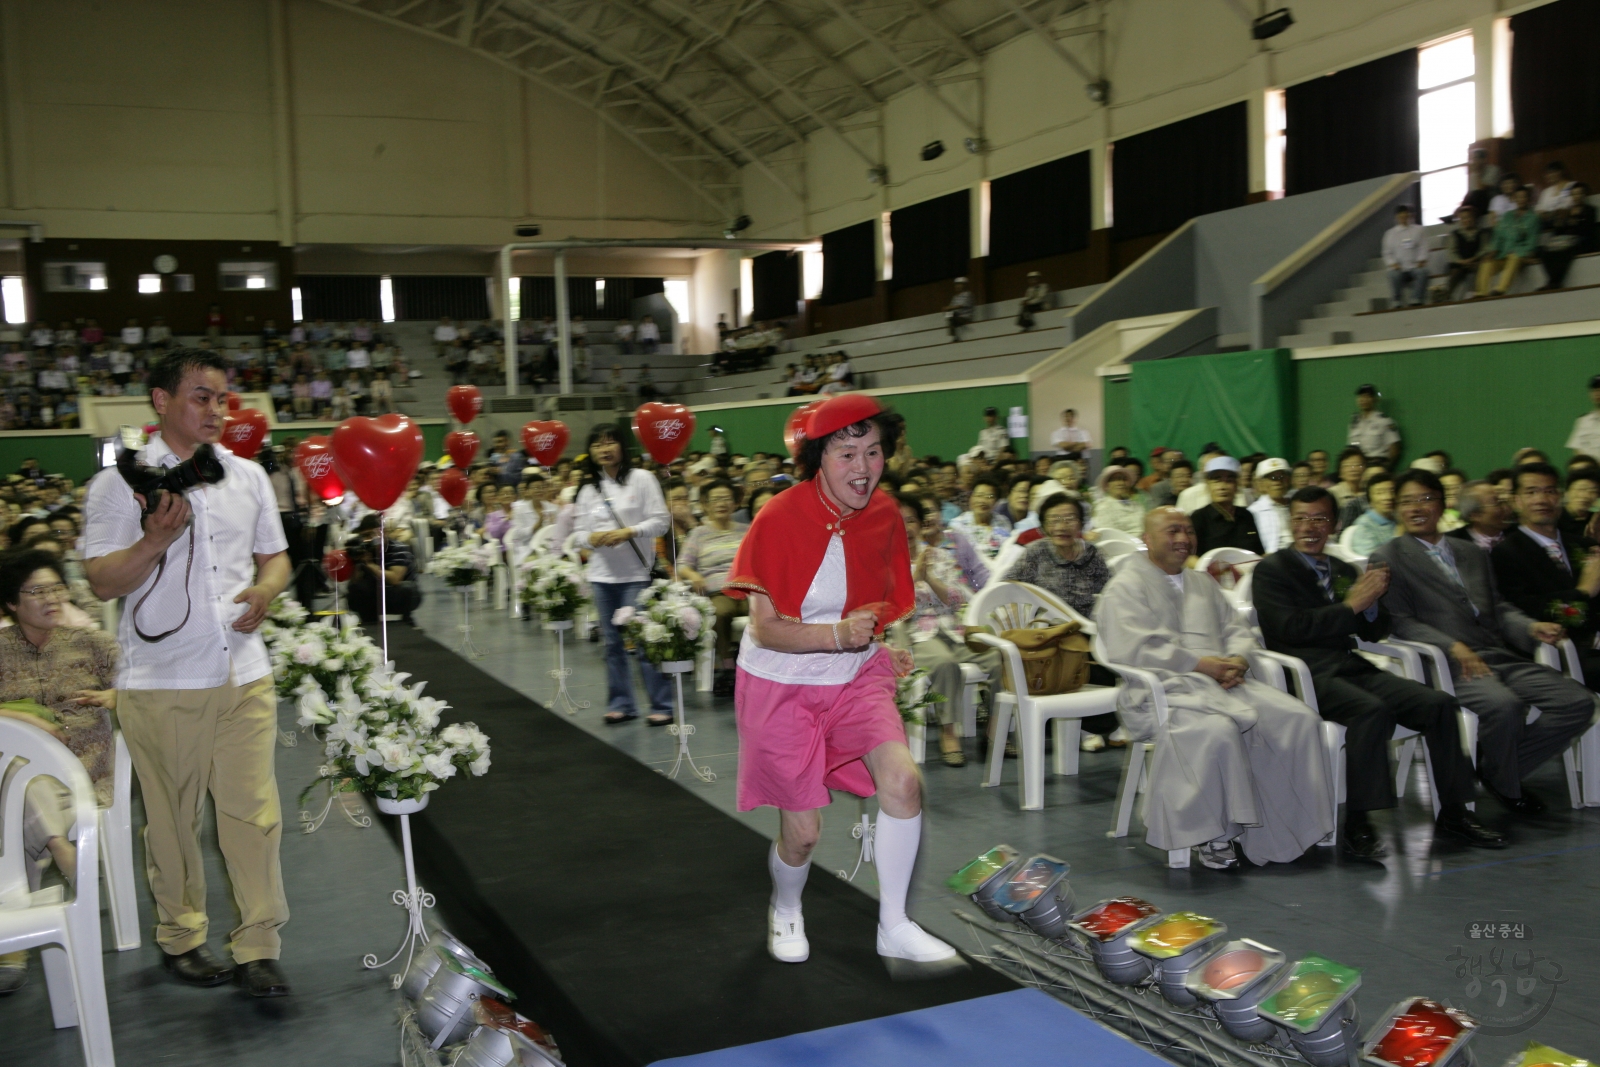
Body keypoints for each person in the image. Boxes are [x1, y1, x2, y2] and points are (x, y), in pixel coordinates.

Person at [82, 348, 293, 997]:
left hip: (244, 669)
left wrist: (265, 591)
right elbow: (99, 580)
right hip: (164, 677)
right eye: (201, 396)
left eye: (223, 398)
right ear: (161, 400)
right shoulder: (118, 482)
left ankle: (259, 944)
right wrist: (152, 542)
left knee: (253, 812)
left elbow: (277, 557)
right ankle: (182, 935)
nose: (216, 410)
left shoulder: (249, 476)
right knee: (173, 819)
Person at [722, 393, 957, 968]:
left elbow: (871, 606)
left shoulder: (882, 516)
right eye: (847, 454)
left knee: (903, 783)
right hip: (781, 683)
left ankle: (895, 924)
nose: (863, 468)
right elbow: (766, 628)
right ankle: (785, 908)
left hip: (854, 675)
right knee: (801, 834)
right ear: (817, 460)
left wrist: (881, 645)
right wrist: (838, 637)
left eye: (873, 452)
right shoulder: (777, 517)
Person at [1250, 490, 1503, 858]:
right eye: (1302, 518)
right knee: (1370, 711)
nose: (1310, 527)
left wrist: (1369, 606)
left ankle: (1455, 813)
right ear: (1290, 523)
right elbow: (1289, 628)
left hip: (1351, 666)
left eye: (1320, 519)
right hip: (1304, 676)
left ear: (1334, 525)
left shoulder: (1342, 569)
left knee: (1440, 705)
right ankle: (1359, 822)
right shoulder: (1272, 570)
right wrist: (1352, 604)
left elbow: (1372, 632)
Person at [1093, 507, 1334, 869]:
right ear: (1147, 539)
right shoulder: (1124, 586)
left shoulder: (1203, 582)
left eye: (1188, 530)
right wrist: (1202, 665)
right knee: (1216, 730)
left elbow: (1238, 630)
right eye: (1172, 530)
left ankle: (1292, 824)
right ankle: (1213, 835)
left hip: (1226, 684)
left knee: (1297, 719)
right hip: (1162, 693)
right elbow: (1136, 648)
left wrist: (1238, 660)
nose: (1183, 538)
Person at [1372, 469, 1594, 816]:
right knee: (1504, 707)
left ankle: (1498, 770)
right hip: (1447, 664)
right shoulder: (1389, 556)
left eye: (1426, 499)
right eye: (1406, 501)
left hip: (1497, 654)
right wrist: (1452, 647)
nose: (1416, 507)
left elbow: (1498, 607)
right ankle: (1507, 785)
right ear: (1397, 509)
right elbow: (1401, 621)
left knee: (1577, 702)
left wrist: (1531, 626)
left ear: (1443, 506)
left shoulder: (1470, 551)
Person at [0, 549, 122, 993]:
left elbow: (145, 685)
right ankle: (62, 848)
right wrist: (25, 722)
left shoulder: (93, 645)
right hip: (20, 784)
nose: (52, 597)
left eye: (56, 587)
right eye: (37, 590)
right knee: (21, 772)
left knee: (15, 801)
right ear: (12, 603)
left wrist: (115, 698)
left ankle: (13, 947)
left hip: (86, 777)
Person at [574, 424, 674, 726]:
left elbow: (661, 522)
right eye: (597, 445)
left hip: (636, 575)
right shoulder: (589, 489)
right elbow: (578, 533)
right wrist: (592, 539)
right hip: (602, 576)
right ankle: (621, 704)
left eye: (610, 443)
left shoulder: (641, 479)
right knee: (612, 645)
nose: (604, 449)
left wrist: (630, 530)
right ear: (590, 452)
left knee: (644, 641)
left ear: (622, 447)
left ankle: (663, 705)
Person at [888, 493, 997, 768]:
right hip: (916, 635)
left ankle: (995, 730)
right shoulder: (884, 562)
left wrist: (930, 578)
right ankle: (950, 733)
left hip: (953, 629)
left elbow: (958, 598)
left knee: (999, 660)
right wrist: (914, 581)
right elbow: (894, 611)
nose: (907, 527)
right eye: (899, 521)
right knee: (946, 664)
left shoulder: (939, 555)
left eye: (911, 520)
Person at [1491, 463, 1600, 683]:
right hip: (1560, 651)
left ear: (1560, 497)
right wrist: (1583, 592)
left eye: (1549, 491)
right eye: (1531, 492)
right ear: (1516, 501)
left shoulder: (1582, 544)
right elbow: (1531, 609)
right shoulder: (1506, 553)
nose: (1541, 500)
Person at [676, 479, 748, 696]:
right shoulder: (698, 533)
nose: (721, 504)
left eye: (726, 498)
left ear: (735, 503)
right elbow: (683, 565)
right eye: (715, 499)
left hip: (749, 590)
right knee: (720, 613)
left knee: (770, 613)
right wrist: (694, 575)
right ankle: (728, 667)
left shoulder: (747, 530)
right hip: (719, 590)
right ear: (705, 505)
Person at [346, 515, 420, 625]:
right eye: (364, 535)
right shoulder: (363, 550)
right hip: (374, 595)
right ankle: (369, 622)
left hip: (397, 594)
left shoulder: (399, 548)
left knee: (406, 588)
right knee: (356, 588)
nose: (368, 539)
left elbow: (395, 579)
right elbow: (354, 581)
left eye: (371, 534)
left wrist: (370, 565)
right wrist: (357, 563)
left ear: (383, 532)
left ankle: (406, 620)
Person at [1189, 456, 1263, 558]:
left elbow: (1258, 552)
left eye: (1229, 480)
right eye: (1217, 480)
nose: (1222, 487)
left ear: (1237, 486)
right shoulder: (1199, 517)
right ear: (1207, 485)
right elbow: (1189, 557)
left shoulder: (1246, 515)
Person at [1479, 185, 1539, 297]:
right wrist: (1493, 250)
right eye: (1518, 197)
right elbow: (1498, 235)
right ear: (1514, 199)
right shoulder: (1508, 216)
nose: (1521, 200)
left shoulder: (1533, 218)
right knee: (1486, 262)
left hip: (1519, 254)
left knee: (1514, 256)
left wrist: (1526, 254)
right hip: (1502, 253)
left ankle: (1500, 289)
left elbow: (1532, 241)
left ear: (1528, 199)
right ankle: (1481, 293)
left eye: (1524, 197)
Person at [1538, 182, 1596, 289]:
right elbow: (1559, 232)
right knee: (1544, 251)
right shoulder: (1566, 211)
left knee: (1566, 251)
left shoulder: (1590, 210)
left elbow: (1588, 230)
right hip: (1565, 240)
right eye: (1574, 194)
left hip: (1583, 241)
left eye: (1579, 194)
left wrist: (1575, 222)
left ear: (1584, 195)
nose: (1576, 197)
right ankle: (1554, 281)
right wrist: (1559, 224)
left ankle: (1554, 282)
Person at [950, 475, 1010, 560]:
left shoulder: (1003, 522)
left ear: (996, 501)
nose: (982, 501)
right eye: (978, 495)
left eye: (989, 496)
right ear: (971, 497)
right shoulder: (957, 525)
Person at [1382, 204, 1430, 308]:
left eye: (1406, 216)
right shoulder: (1389, 234)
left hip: (1415, 266)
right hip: (1399, 268)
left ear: (1409, 216)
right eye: (1401, 217)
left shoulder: (1418, 230)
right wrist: (1393, 264)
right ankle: (1396, 300)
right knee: (1393, 275)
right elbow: (1386, 253)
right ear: (1397, 217)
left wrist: (1421, 260)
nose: (1404, 219)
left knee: (1423, 272)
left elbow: (1423, 247)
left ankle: (1416, 298)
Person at [1442, 204, 1489, 301]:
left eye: (1468, 217)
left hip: (1476, 261)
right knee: (1455, 272)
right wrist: (1461, 261)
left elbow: (1484, 249)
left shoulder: (1481, 233)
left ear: (1473, 218)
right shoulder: (1455, 234)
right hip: (1460, 263)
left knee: (1480, 269)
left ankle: (1477, 295)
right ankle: (1447, 296)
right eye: (1463, 218)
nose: (1466, 220)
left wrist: (1474, 259)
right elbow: (1451, 252)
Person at [1449, 480, 1512, 552]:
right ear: (1474, 515)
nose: (1505, 508)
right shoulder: (1452, 543)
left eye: (1503, 501)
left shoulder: (1516, 535)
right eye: (1496, 502)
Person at [1346, 471, 1398, 556]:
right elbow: (1372, 559)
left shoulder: (1399, 518)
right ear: (1370, 500)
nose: (1388, 497)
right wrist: (1399, 532)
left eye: (1392, 491)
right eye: (1380, 492)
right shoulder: (1364, 525)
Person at [1246, 458, 1293, 550]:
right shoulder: (1253, 512)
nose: (1278, 482)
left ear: (1288, 480)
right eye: (1272, 478)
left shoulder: (1296, 506)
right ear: (1261, 483)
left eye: (1281, 477)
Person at [1348, 384, 1401, 466]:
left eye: (1367, 396)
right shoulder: (1355, 421)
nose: (1363, 400)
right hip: (1358, 464)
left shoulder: (1384, 421)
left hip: (1376, 463)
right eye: (1361, 397)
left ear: (1375, 399)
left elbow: (1394, 449)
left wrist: (1385, 468)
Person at [1092, 466, 1145, 538]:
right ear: (1107, 485)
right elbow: (1108, 535)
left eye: (1124, 479)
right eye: (1115, 479)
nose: (1121, 483)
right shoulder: (1103, 507)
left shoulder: (1136, 504)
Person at [1560, 465, 1600, 546]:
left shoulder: (1596, 522)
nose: (1586, 495)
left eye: (1593, 491)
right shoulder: (1555, 519)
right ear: (1567, 492)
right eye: (1581, 489)